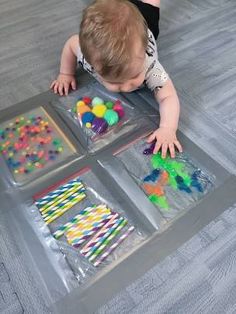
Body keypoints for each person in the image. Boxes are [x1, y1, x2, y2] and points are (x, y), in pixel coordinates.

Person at [50, 0, 182, 158]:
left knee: (149, 6)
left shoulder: (150, 67)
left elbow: (168, 96)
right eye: (115, 82)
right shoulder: (87, 57)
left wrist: (167, 128)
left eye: (134, 76)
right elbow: (71, 45)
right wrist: (66, 73)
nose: (127, 87)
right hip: (119, 19)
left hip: (145, 20)